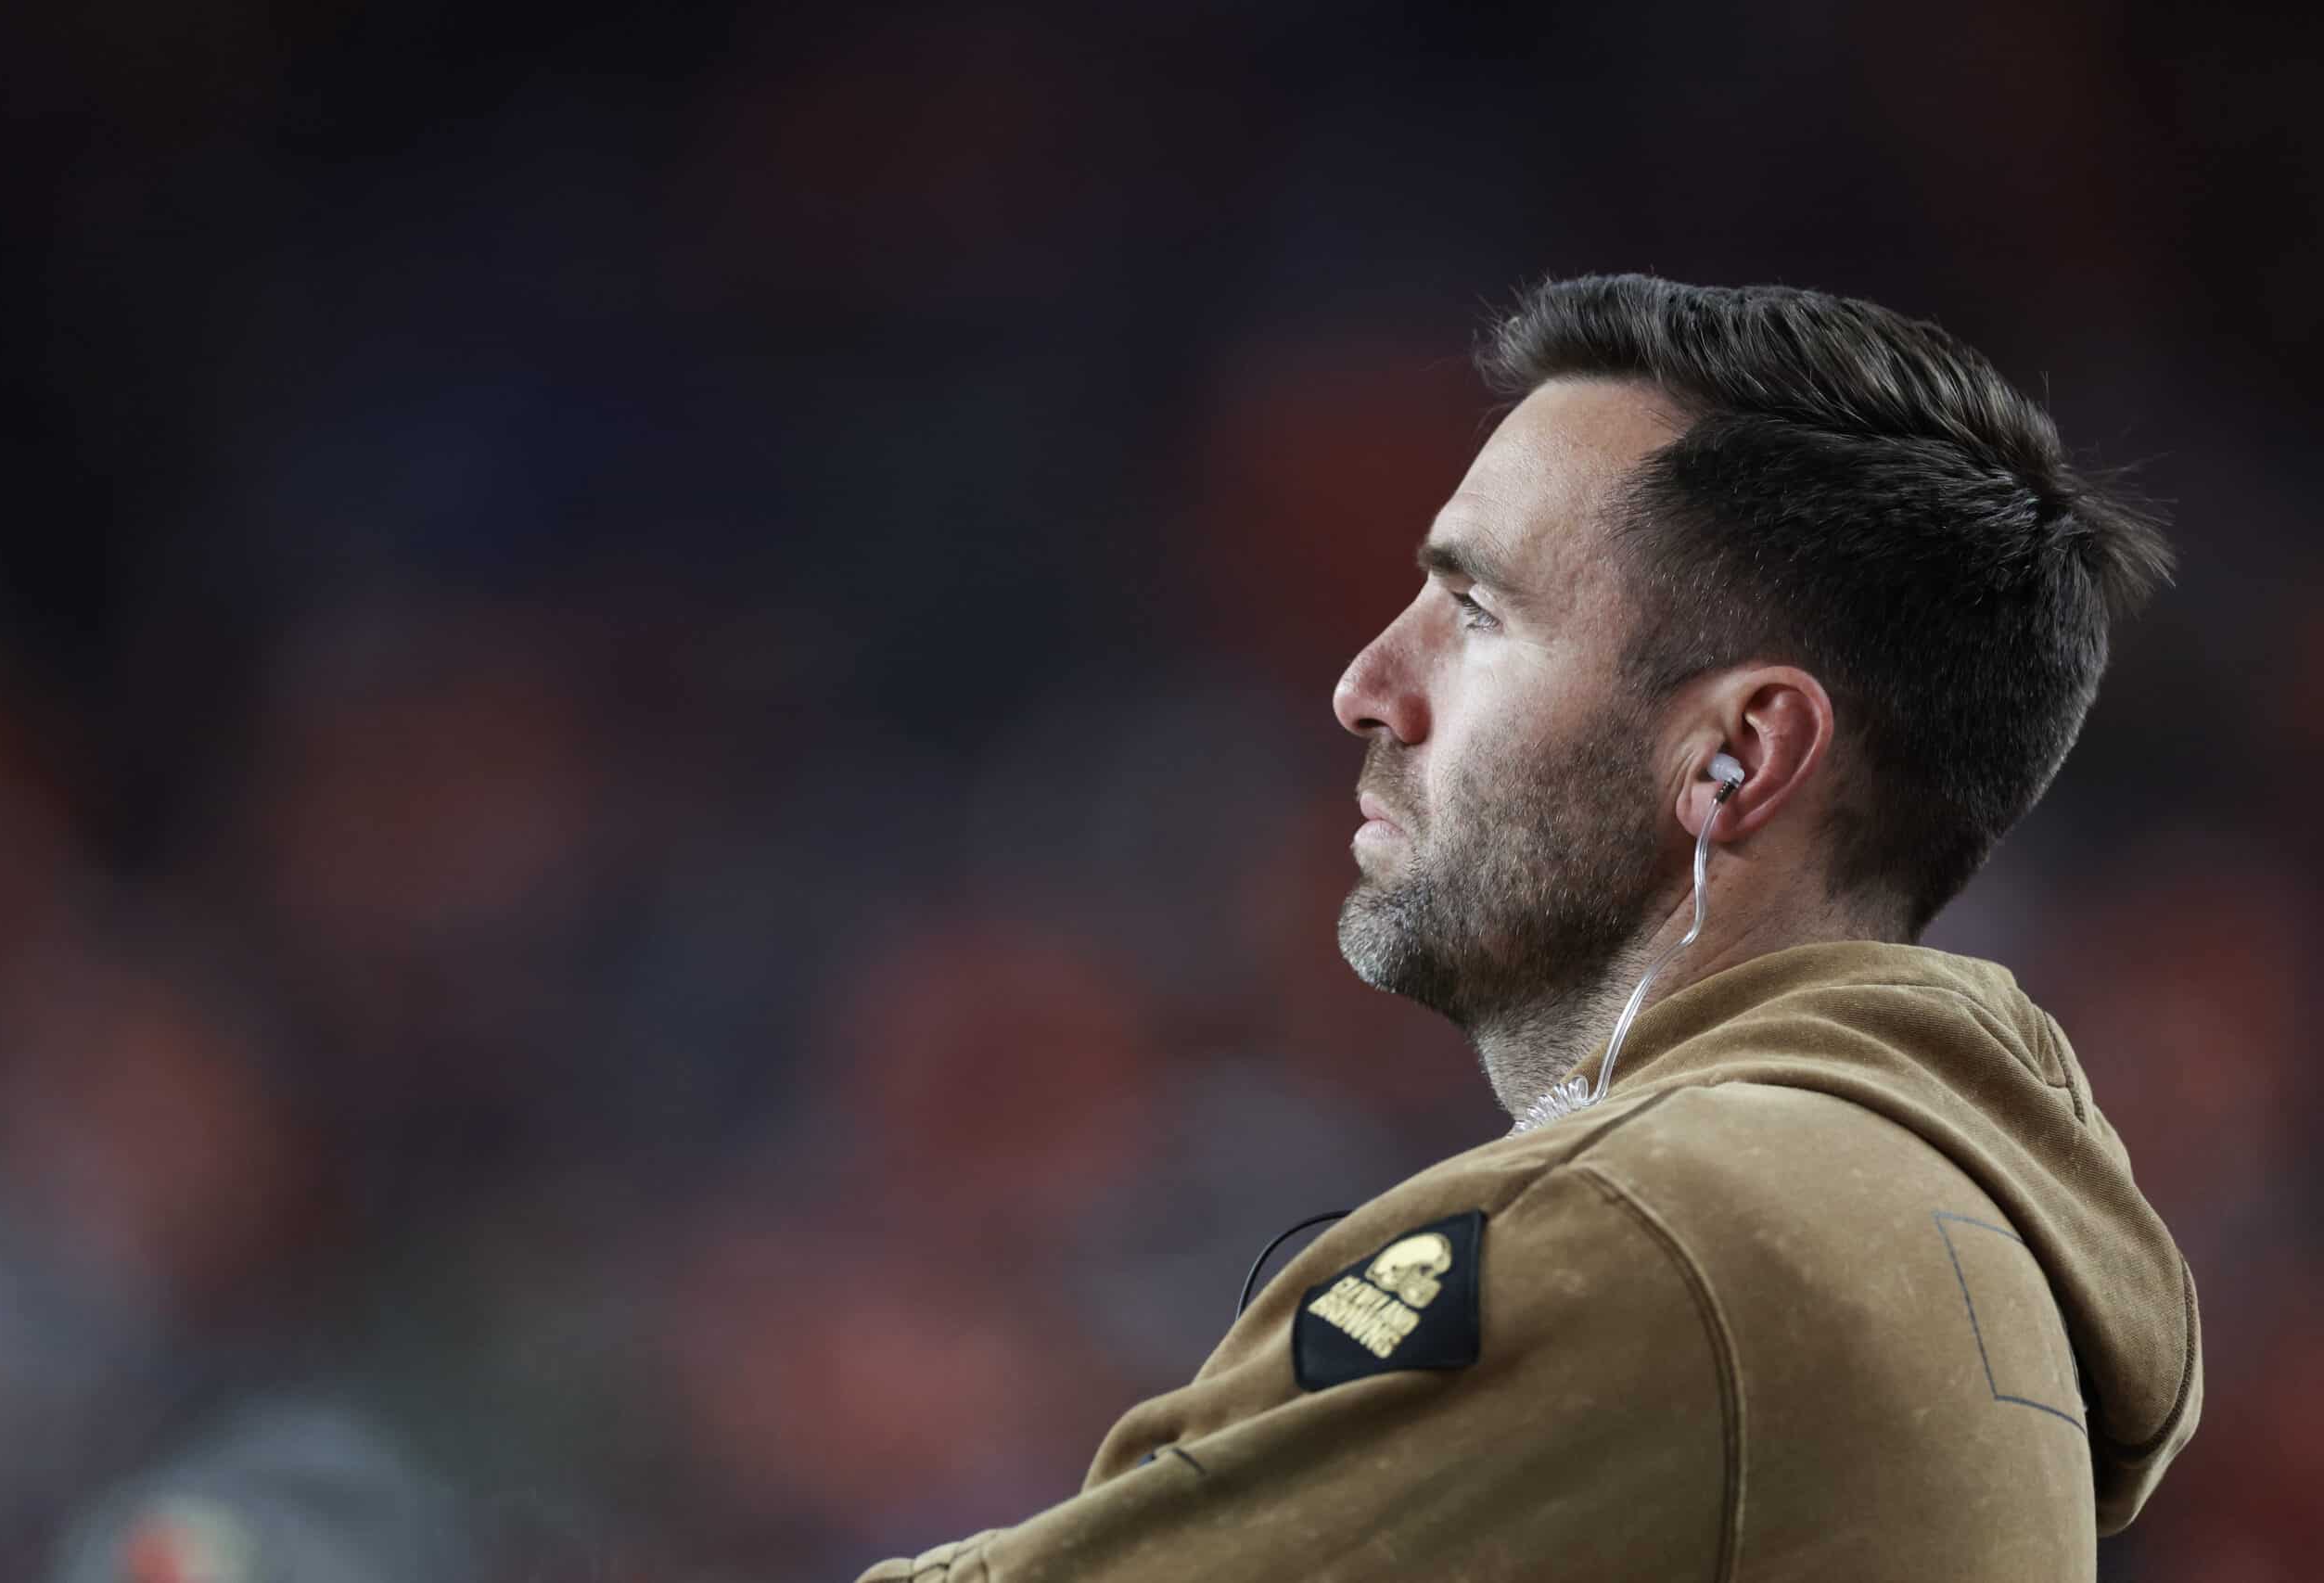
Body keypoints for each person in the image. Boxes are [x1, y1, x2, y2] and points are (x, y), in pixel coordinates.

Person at [854, 275, 2202, 1580]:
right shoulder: (1933, 1211)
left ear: (1736, 753)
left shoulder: (1651, 1229)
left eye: (1477, 611)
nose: (1364, 684)